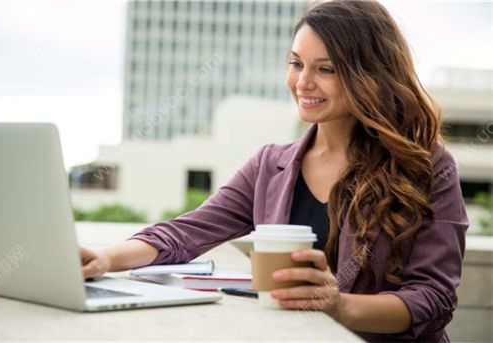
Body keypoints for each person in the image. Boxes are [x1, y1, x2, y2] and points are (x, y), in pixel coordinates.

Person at [80, 1, 468, 341]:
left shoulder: (426, 165)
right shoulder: (272, 165)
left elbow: (434, 299)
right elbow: (184, 234)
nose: (303, 82)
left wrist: (338, 306)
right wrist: (105, 258)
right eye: (296, 64)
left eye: (327, 69)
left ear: (370, 75)